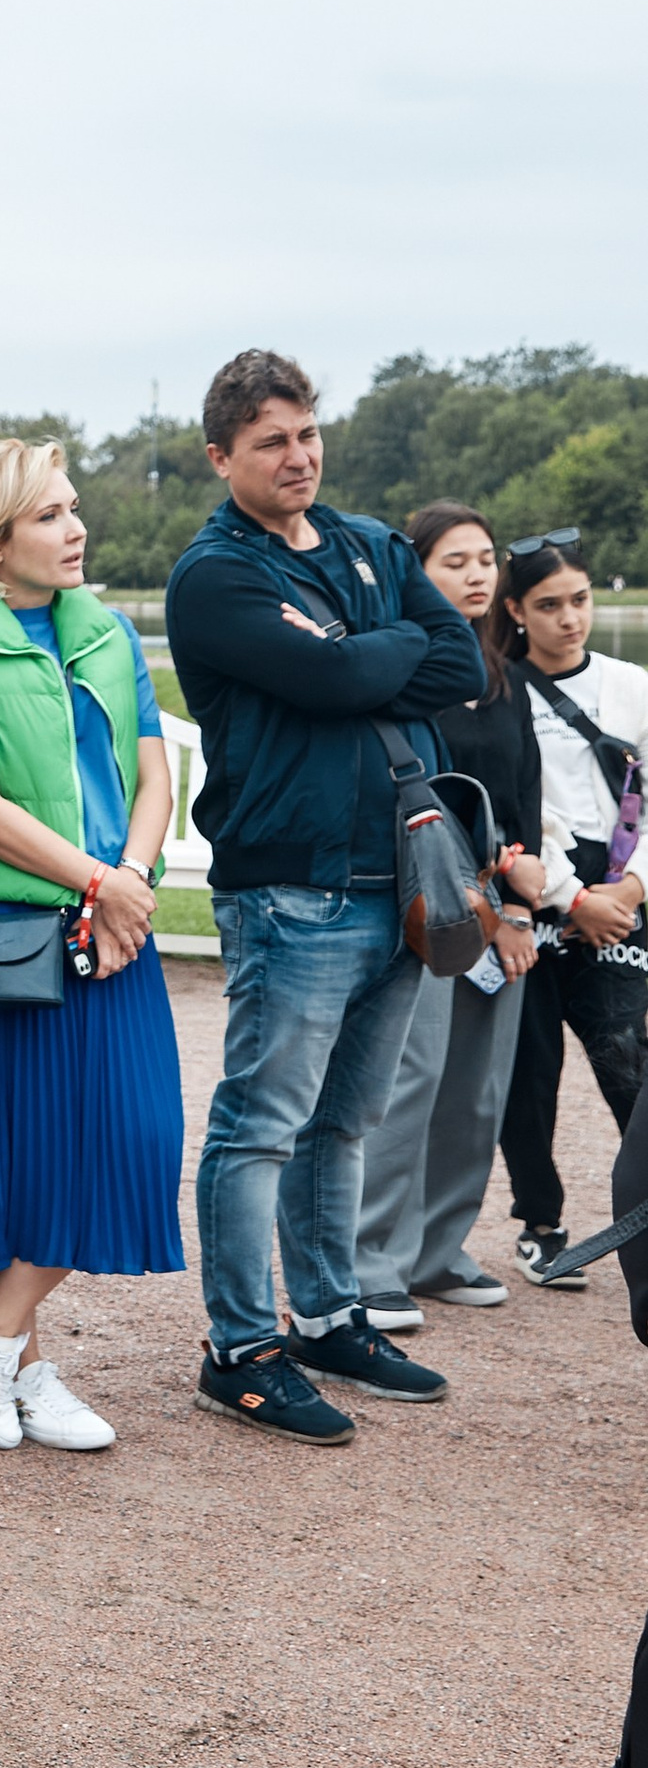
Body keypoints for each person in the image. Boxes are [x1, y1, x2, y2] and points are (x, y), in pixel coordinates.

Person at [166, 348, 484, 1440]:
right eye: (269, 442)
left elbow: (464, 665)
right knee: (260, 1124)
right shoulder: (216, 575)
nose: (296, 457)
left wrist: (361, 652)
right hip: (290, 887)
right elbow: (348, 677)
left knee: (343, 1121)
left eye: (306, 434)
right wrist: (369, 655)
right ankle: (240, 1346)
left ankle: (330, 1311)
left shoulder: (367, 542)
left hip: (396, 880)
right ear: (221, 457)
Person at [0, 438, 185, 1451]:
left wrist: (128, 886)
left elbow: (152, 777)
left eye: (72, 509)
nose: (76, 528)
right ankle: (9, 1348)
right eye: (50, 514)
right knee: (33, 1160)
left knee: (131, 1143)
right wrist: (100, 883)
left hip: (115, 923)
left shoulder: (104, 633)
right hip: (16, 934)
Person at [352, 508, 553, 1324]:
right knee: (414, 1081)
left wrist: (517, 904)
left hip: (502, 905)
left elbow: (524, 795)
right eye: (453, 562)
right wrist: (485, 903)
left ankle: (438, 1251)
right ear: (415, 572)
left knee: (477, 1091)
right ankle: (373, 1261)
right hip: (429, 903)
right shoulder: (411, 671)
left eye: (484, 562)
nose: (476, 577)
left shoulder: (501, 674)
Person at [496, 534, 648, 1285]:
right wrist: (569, 897)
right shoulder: (499, 691)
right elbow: (514, 809)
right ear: (516, 610)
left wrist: (630, 889)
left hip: (622, 894)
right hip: (539, 897)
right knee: (529, 1072)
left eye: (580, 600)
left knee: (630, 1061)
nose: (569, 619)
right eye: (548, 605)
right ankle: (540, 1221)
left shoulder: (631, 684)